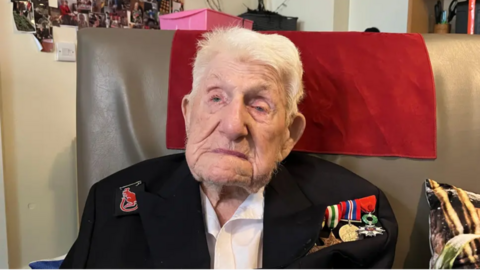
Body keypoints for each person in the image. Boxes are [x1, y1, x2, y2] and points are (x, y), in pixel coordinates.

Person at [60, 27, 398, 269]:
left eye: (260, 106)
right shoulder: (111, 205)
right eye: (217, 98)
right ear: (188, 114)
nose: (233, 126)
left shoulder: (356, 211)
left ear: (289, 135)